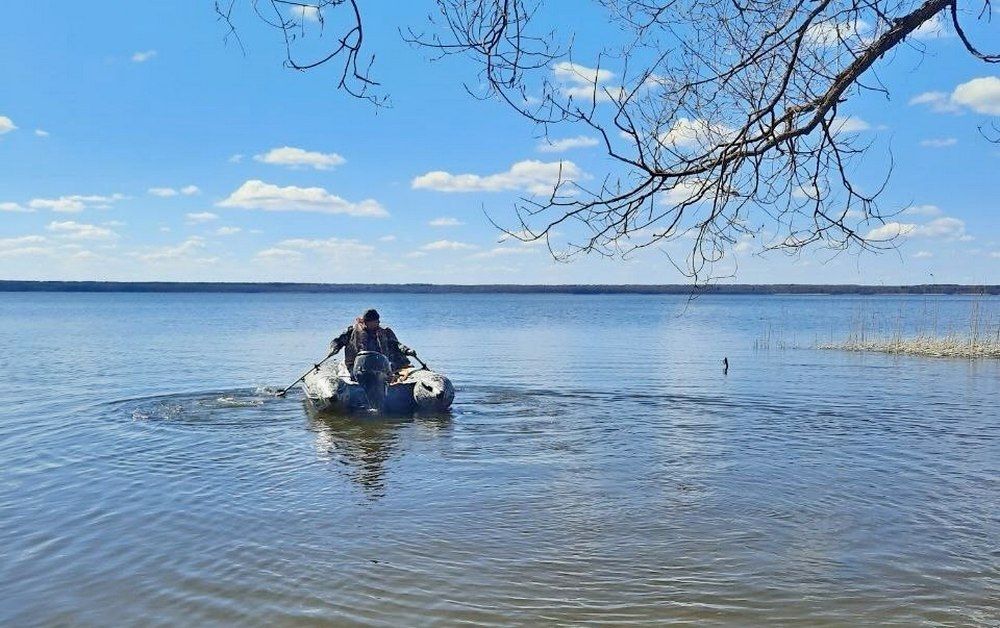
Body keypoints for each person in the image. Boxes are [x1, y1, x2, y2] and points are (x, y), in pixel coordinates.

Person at [329, 309, 415, 372]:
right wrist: (334, 347)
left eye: (377, 322)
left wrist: (407, 350)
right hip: (358, 366)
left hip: (380, 365)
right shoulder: (352, 331)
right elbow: (338, 341)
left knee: (394, 364)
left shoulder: (385, 332)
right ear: (365, 322)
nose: (376, 324)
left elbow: (396, 345)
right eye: (373, 322)